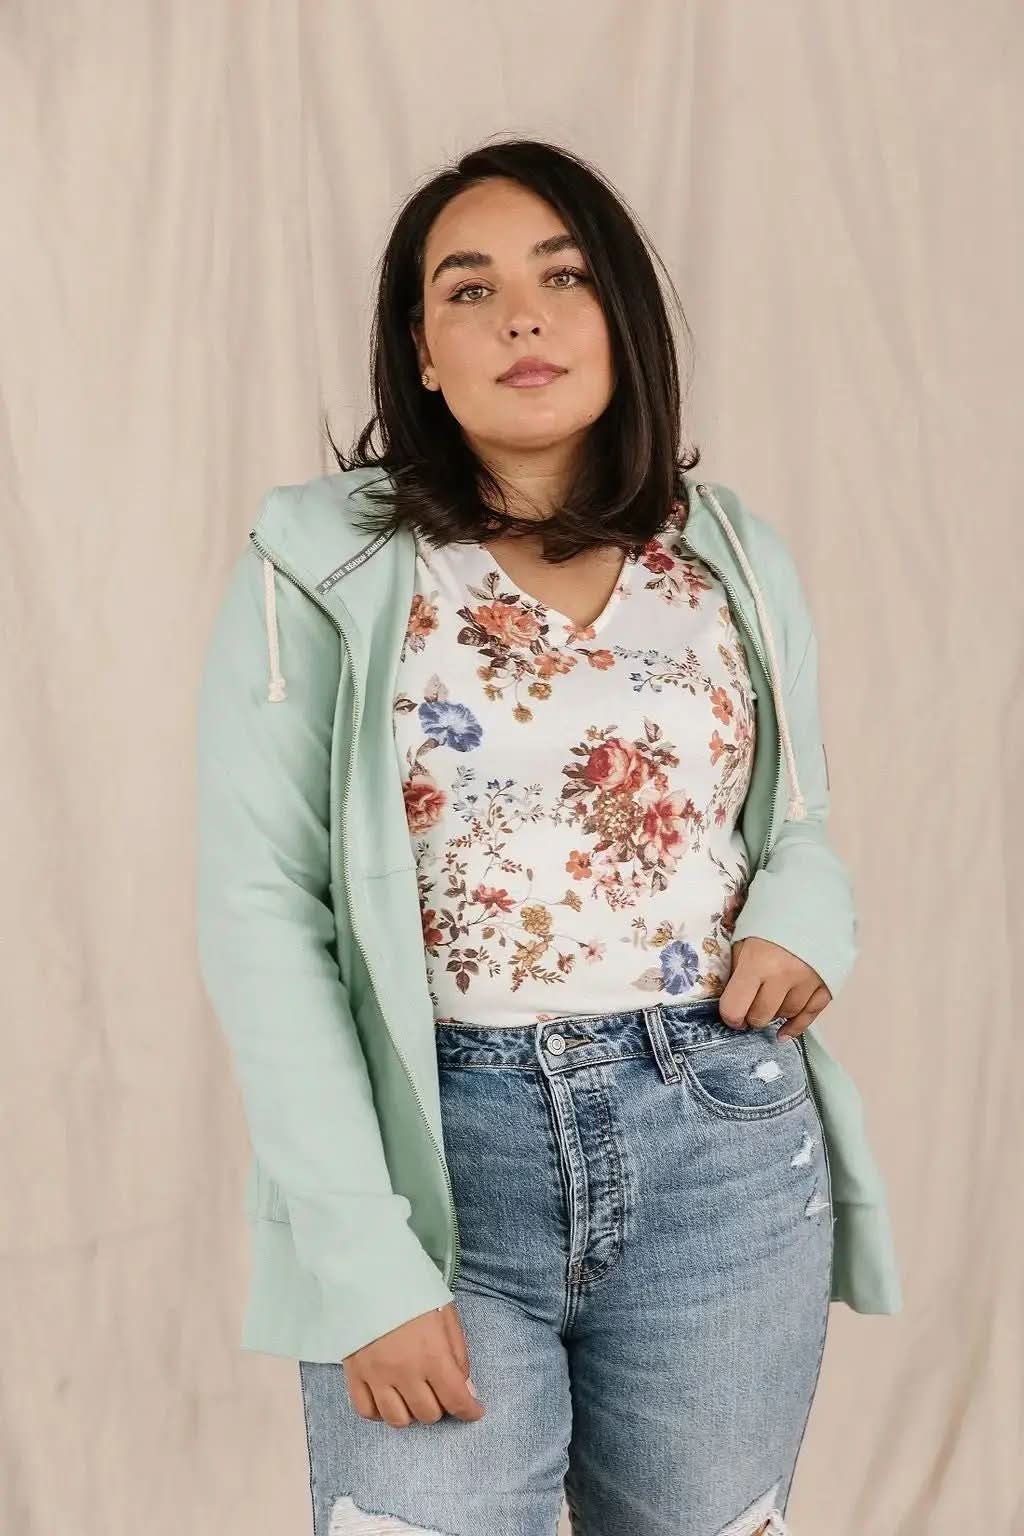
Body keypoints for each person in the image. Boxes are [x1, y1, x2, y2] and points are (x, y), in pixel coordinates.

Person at [196, 136, 901, 1536]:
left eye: (562, 276)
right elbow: (261, 908)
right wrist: (359, 1262)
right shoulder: (323, 564)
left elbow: (800, 820)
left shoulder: (728, 554)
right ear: (424, 349)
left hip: (723, 1144)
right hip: (435, 1165)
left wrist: (807, 921)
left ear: (621, 319)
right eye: (470, 289)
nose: (520, 313)